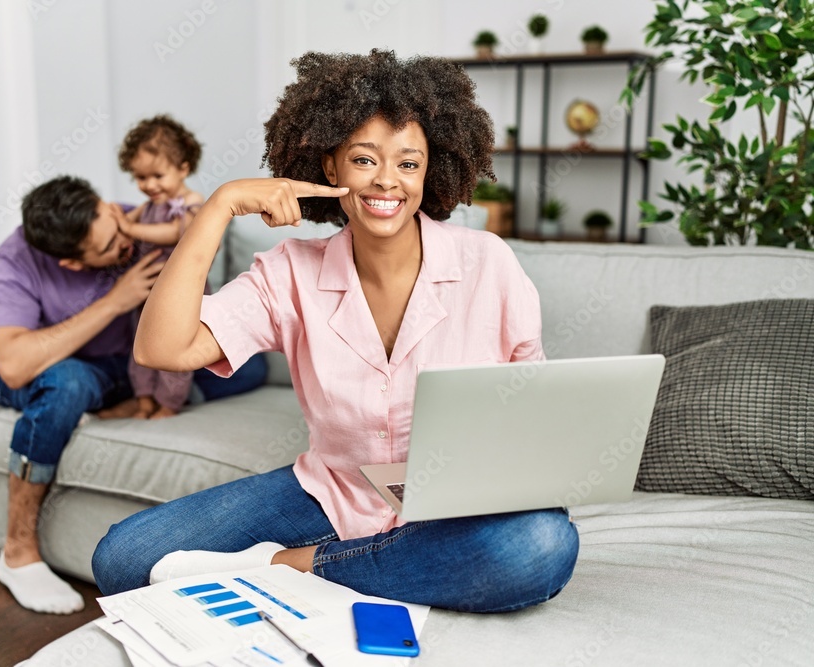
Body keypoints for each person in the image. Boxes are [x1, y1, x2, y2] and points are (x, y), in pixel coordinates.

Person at [92, 50, 579, 613]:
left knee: (540, 545)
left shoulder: (488, 263)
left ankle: (283, 568)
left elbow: (533, 413)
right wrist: (219, 207)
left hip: (459, 504)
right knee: (125, 560)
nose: (386, 182)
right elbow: (162, 346)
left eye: (408, 164)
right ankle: (383, 565)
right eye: (365, 159)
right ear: (331, 168)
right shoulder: (290, 271)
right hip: (335, 490)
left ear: (430, 171)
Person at [0, 175, 264, 614]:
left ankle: (112, 408)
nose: (124, 243)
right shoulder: (15, 260)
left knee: (251, 367)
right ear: (74, 264)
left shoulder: (129, 220)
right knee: (68, 385)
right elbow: (15, 365)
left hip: (128, 366)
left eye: (114, 223)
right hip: (56, 370)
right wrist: (117, 299)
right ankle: (17, 553)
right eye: (109, 247)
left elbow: (188, 227)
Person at [105, 115, 206, 419]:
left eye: (157, 176)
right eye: (140, 177)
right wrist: (116, 221)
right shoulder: (148, 206)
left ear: (183, 168)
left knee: (173, 350)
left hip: (181, 299)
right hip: (147, 294)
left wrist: (132, 229)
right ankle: (144, 398)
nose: (148, 185)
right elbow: (126, 222)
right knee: (142, 348)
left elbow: (177, 232)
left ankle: (169, 403)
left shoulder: (192, 201)